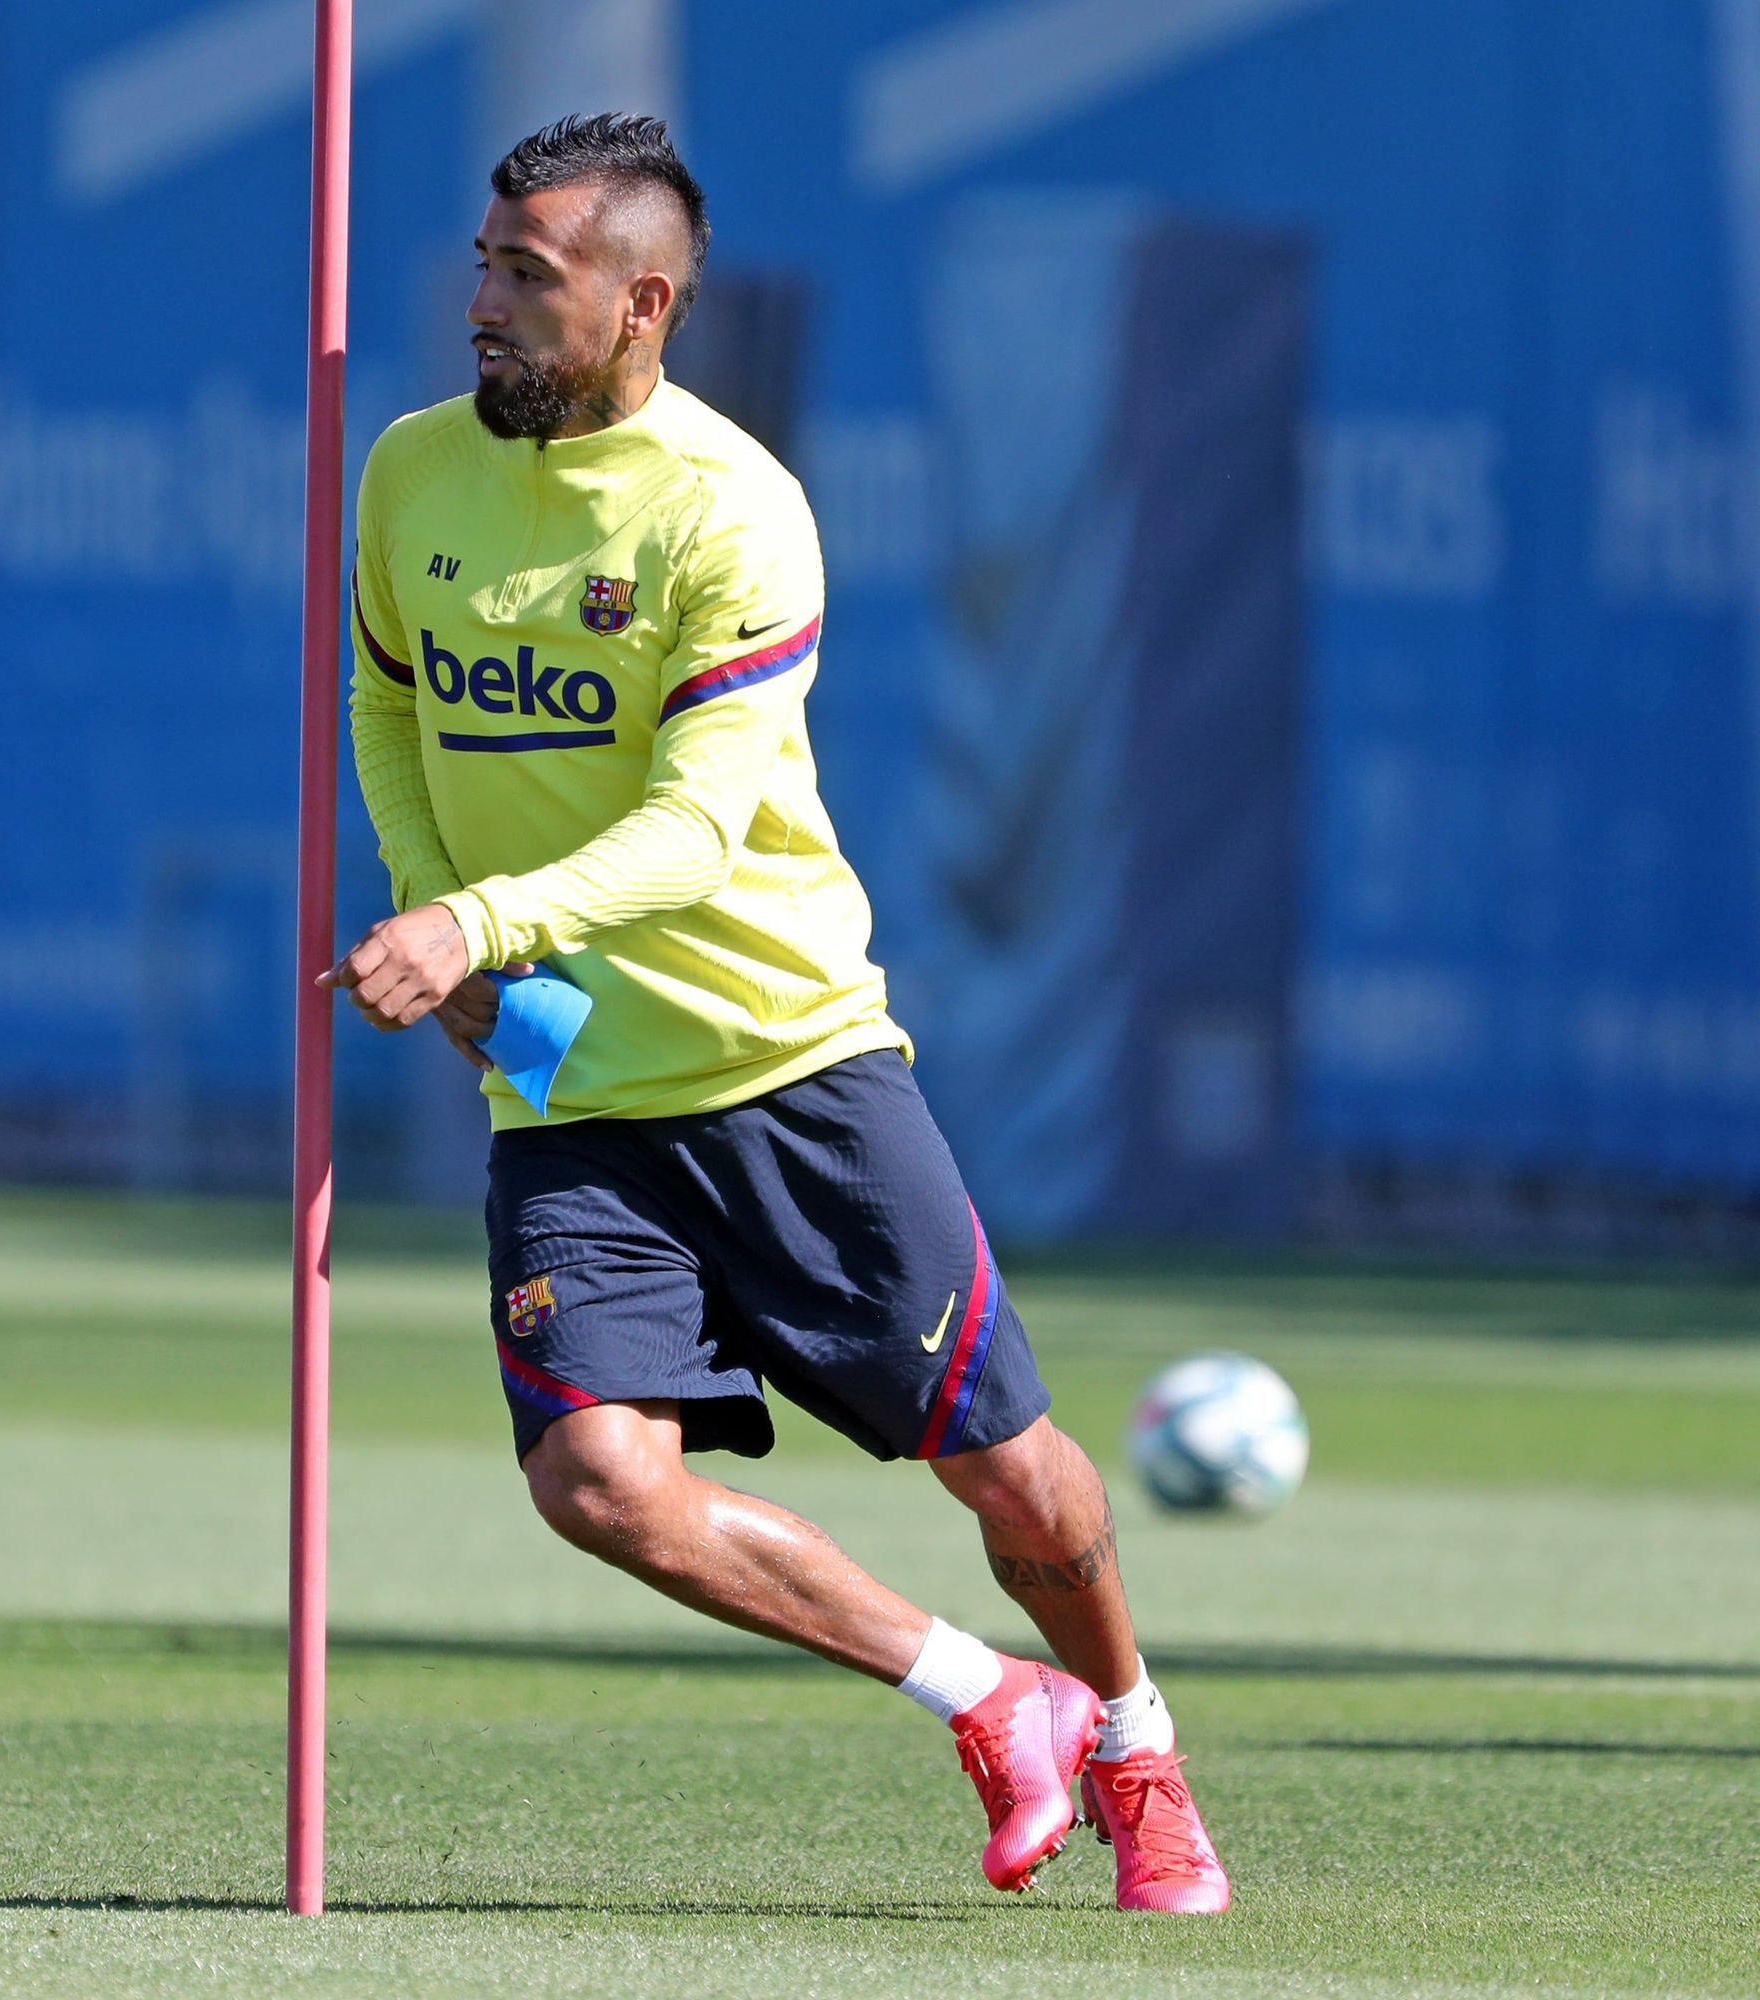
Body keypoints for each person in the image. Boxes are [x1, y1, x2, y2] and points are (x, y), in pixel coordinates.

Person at [324, 112, 1227, 1913]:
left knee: (1021, 1487)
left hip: (788, 1066)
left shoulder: (735, 509)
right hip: (572, 1091)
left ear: (645, 302)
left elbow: (697, 826)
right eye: (485, 265)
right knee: (596, 1481)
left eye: (530, 276)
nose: (482, 305)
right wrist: (459, 929)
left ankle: (1131, 1731)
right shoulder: (413, 471)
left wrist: (479, 911)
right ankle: (990, 1698)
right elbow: (391, 705)